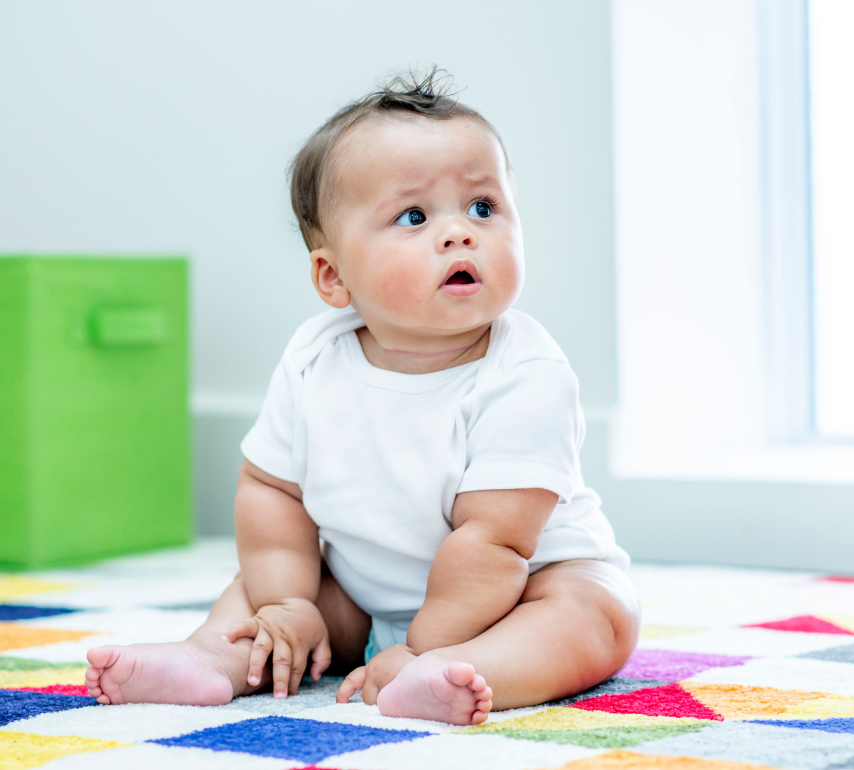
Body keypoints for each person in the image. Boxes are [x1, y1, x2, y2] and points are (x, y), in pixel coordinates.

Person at [84, 68, 639, 726]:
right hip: (362, 588)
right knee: (261, 592)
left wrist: (422, 646)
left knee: (597, 614)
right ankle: (212, 658)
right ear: (333, 275)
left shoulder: (528, 373)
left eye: (484, 207)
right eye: (414, 216)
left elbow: (495, 544)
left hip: (516, 589)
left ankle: (455, 672)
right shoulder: (313, 358)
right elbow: (272, 491)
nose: (461, 233)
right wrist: (288, 601)